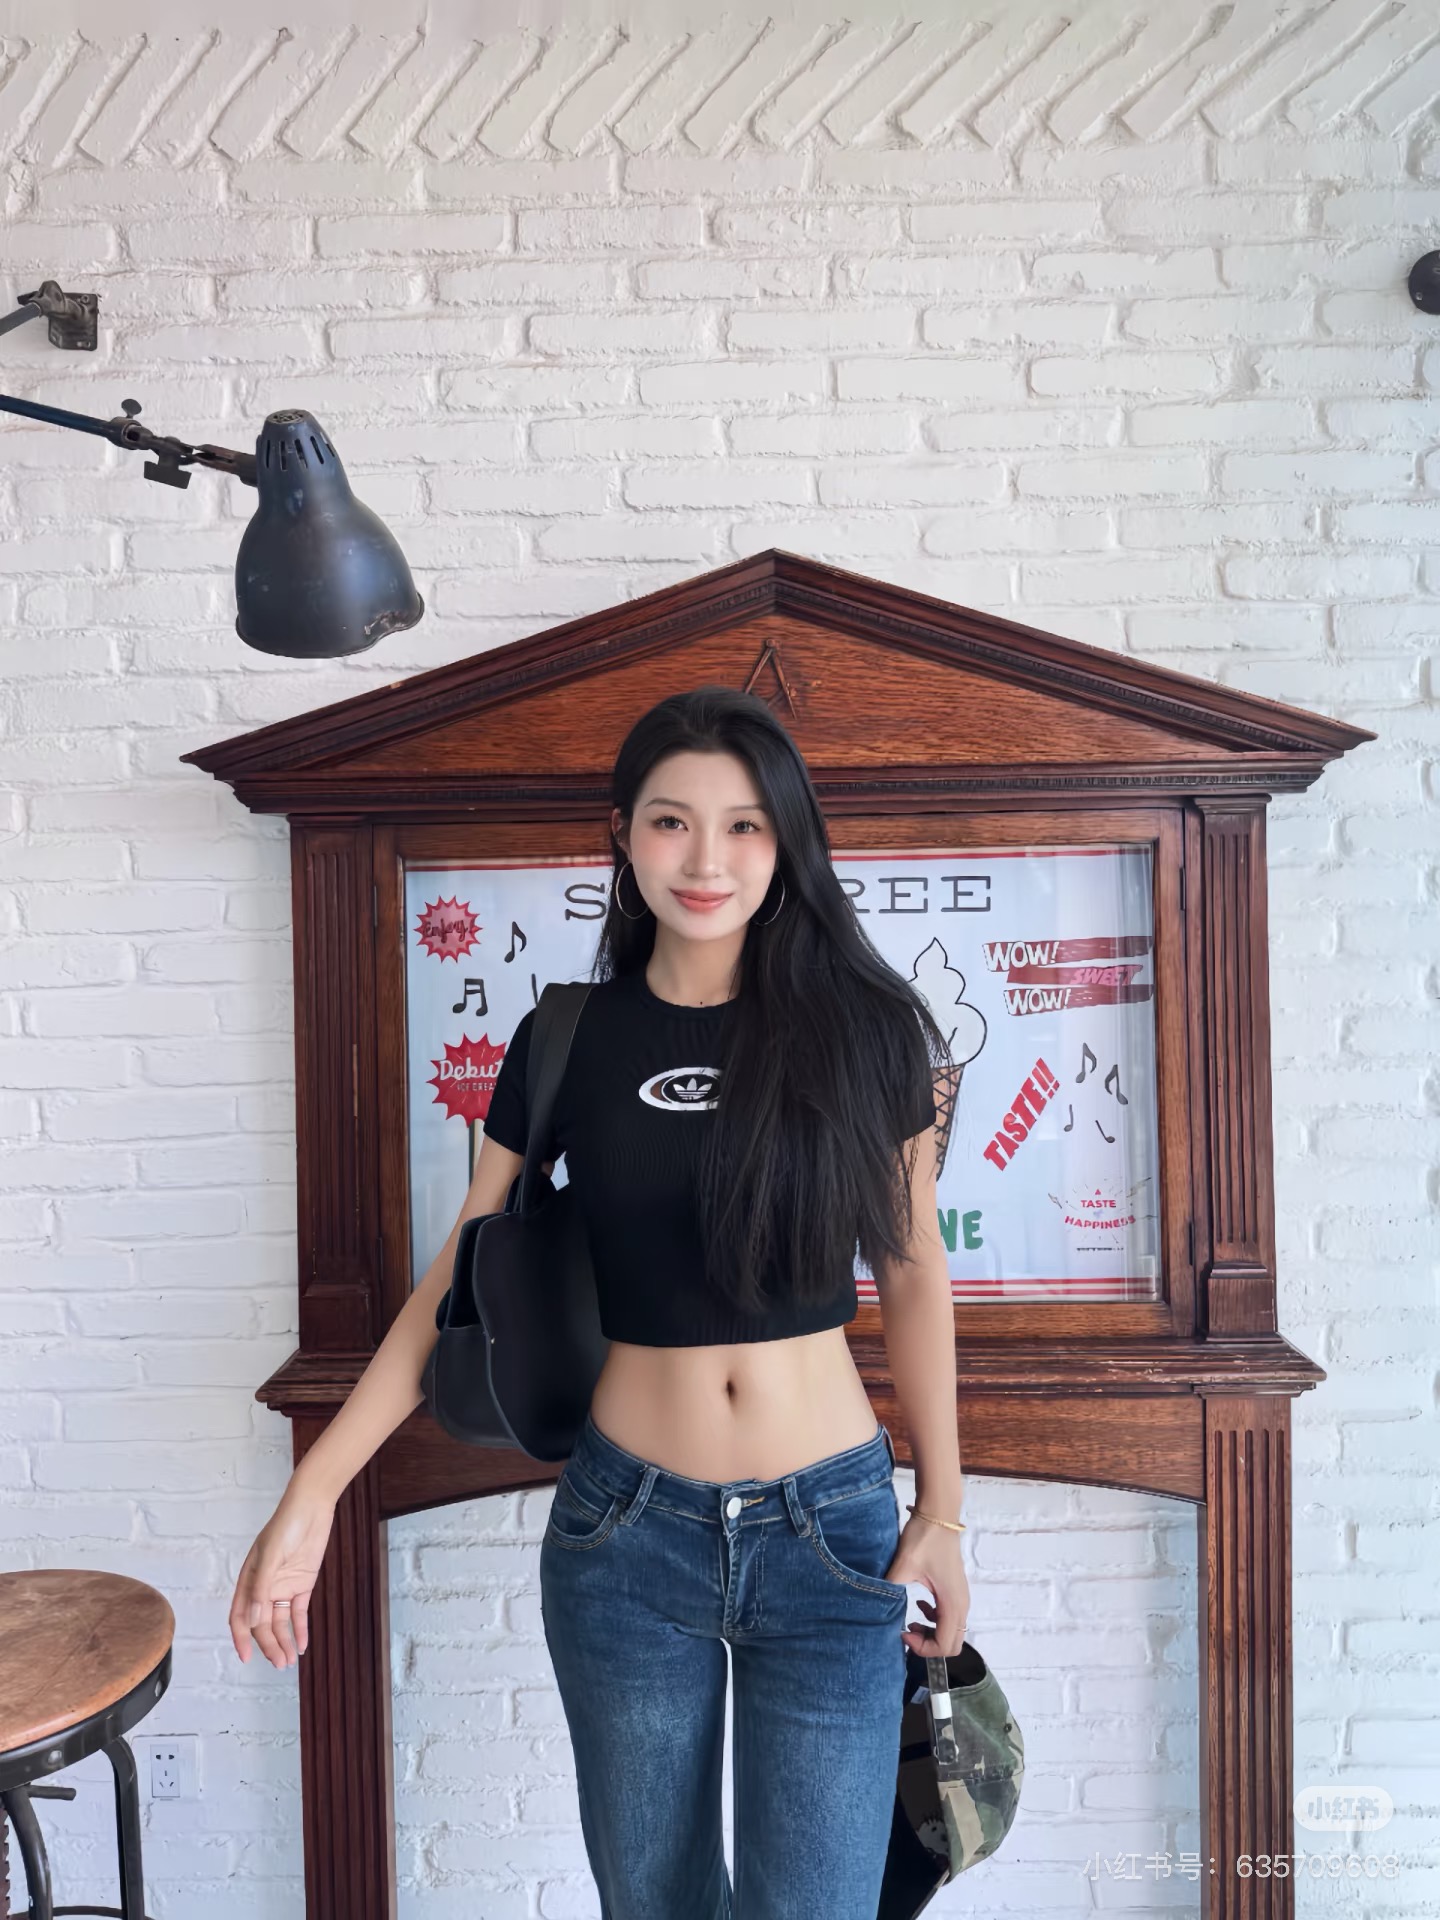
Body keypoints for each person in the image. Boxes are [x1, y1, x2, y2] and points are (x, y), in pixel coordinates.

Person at [229, 685, 970, 1918]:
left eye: (744, 826)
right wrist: (315, 1491)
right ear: (624, 834)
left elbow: (912, 1269)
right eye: (673, 822)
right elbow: (456, 1279)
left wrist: (941, 1506)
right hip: (627, 1534)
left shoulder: (869, 1032)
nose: (707, 860)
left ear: (787, 841)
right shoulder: (567, 1037)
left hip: (830, 1529)